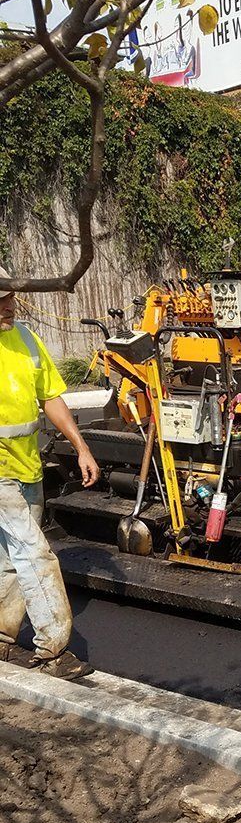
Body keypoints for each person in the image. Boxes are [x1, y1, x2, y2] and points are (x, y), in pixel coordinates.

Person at [0, 281, 100, 679]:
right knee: (34, 552)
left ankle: (3, 635)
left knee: (9, 556)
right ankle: (54, 650)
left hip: (26, 465)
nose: (8, 305)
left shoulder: (24, 337)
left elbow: (51, 397)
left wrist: (81, 446)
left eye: (8, 296)